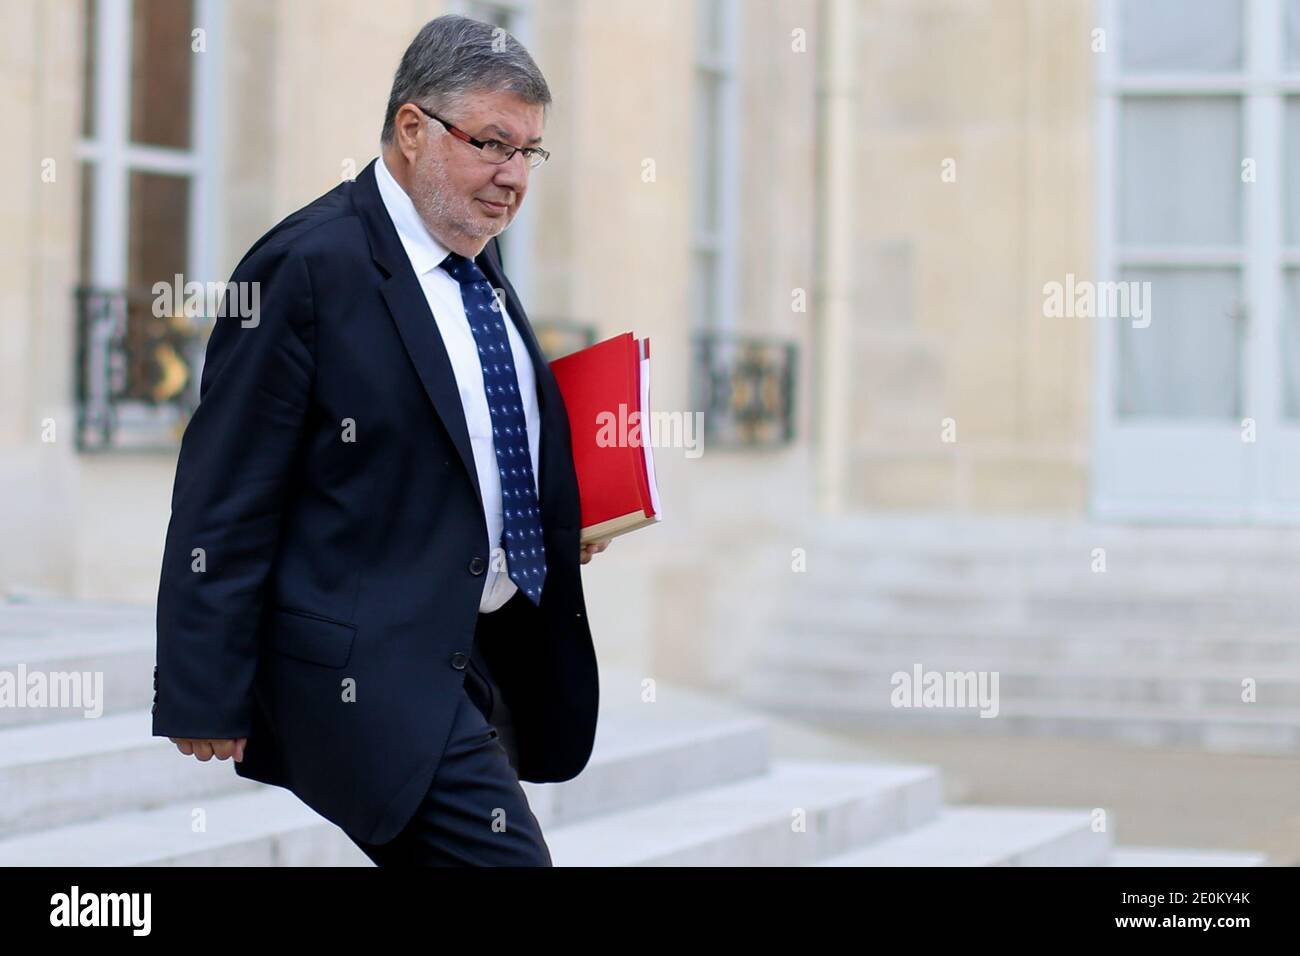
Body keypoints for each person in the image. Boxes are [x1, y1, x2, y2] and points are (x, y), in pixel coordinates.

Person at [152, 14, 610, 866]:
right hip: (365, 669)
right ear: (411, 129)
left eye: (529, 153)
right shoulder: (305, 265)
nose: (514, 177)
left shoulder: (477, 267)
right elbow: (225, 489)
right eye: (492, 144)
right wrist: (200, 688)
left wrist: (541, 525)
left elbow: (446, 449)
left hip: (481, 654)